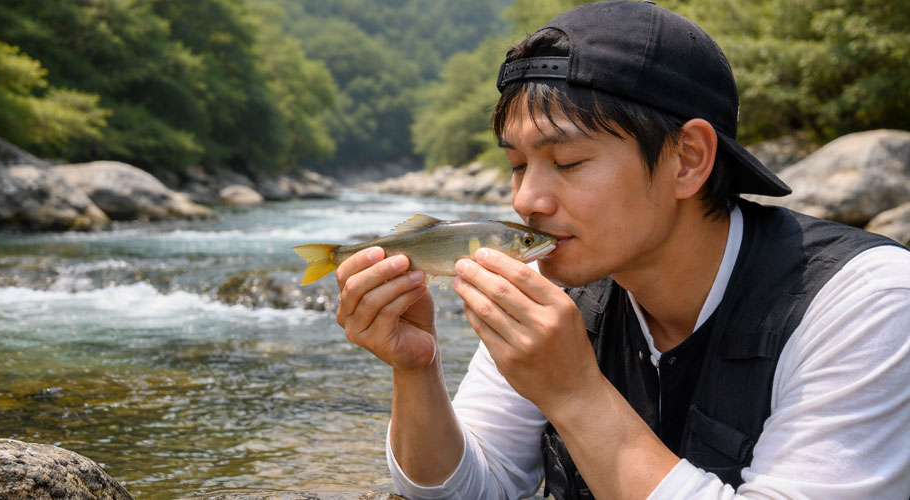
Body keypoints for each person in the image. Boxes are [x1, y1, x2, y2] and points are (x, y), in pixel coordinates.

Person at [334, 1, 910, 498]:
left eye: (567, 163)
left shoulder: (866, 301)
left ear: (688, 159)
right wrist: (417, 370)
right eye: (516, 165)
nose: (527, 199)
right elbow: (467, 490)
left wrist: (574, 392)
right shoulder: (559, 284)